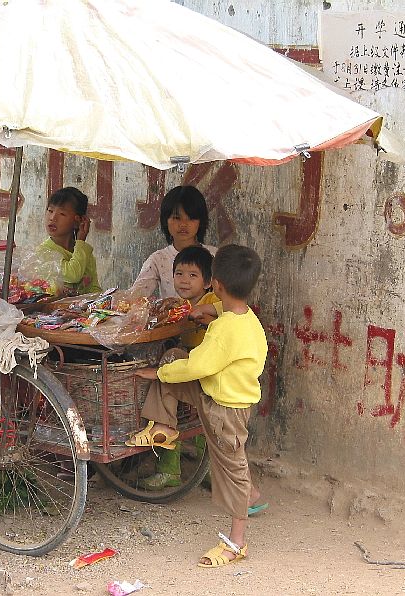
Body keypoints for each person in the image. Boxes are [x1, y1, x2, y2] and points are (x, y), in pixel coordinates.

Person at [127, 245, 268, 568]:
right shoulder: (245, 318)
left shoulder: (224, 332)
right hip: (214, 393)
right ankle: (165, 426)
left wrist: (157, 373)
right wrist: (210, 310)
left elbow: (197, 367)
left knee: (231, 469)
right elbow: (219, 324)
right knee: (174, 357)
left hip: (225, 409)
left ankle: (236, 542)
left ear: (214, 284)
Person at [133, 245, 218, 491]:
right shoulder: (177, 305)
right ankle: (170, 469)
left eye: (192, 275)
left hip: (208, 371)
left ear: (208, 282)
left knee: (169, 363)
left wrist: (201, 317)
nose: (184, 280)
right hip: (190, 369)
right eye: (179, 274)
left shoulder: (212, 302)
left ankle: (205, 470)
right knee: (168, 377)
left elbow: (221, 322)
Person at [130, 185, 216, 299]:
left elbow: (229, 298)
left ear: (201, 222)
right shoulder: (158, 259)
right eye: (176, 218)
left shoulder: (215, 256)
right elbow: (135, 296)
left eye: (190, 218)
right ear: (166, 220)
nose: (183, 224)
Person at [38, 186, 101, 295]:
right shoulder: (44, 252)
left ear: (77, 221)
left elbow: (93, 289)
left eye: (62, 214)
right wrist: (81, 240)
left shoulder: (83, 252)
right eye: (50, 211)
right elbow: (73, 275)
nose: (53, 218)